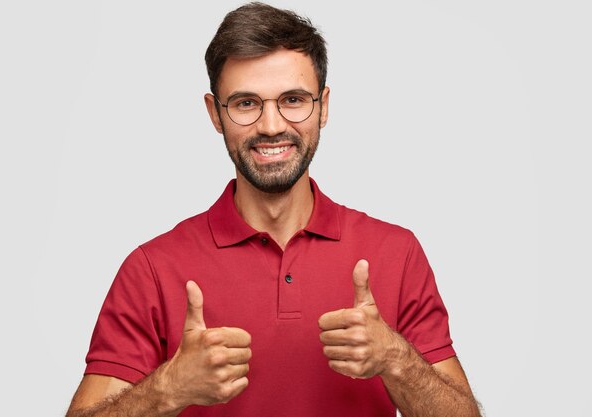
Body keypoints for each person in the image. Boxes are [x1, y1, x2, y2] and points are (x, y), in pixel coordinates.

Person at [66, 3, 481, 416]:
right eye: (246, 103)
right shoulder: (152, 269)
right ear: (215, 114)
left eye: (293, 99)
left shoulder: (397, 252)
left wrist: (396, 359)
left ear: (323, 107)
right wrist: (168, 388)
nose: (271, 126)